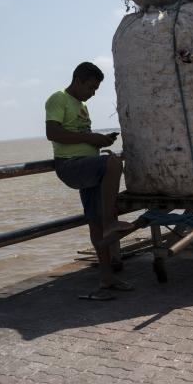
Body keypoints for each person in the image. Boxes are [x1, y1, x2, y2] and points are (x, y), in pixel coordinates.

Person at [46, 62, 133, 300]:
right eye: (91, 87)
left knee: (94, 224)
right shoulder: (58, 99)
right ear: (79, 80)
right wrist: (90, 137)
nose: (93, 93)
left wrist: (99, 140)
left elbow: (80, 136)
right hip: (71, 165)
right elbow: (52, 133)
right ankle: (110, 221)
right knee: (113, 163)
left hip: (89, 167)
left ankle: (106, 278)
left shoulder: (82, 104)